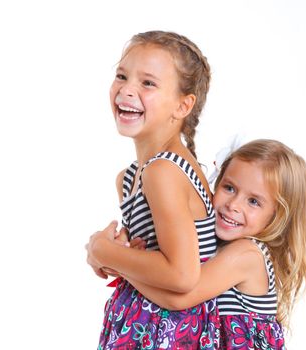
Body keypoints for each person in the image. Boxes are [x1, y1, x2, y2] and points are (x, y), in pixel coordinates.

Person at [86, 31, 220, 349]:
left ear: (182, 105)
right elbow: (151, 262)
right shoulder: (132, 175)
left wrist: (104, 251)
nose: (127, 89)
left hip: (169, 334)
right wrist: (120, 257)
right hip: (144, 325)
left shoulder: (164, 171)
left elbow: (181, 275)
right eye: (122, 76)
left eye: (148, 83)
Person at [122, 139, 306, 349]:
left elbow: (177, 299)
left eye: (254, 201)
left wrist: (122, 265)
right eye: (229, 188)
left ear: (277, 216)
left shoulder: (248, 255)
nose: (233, 205)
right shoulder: (213, 243)